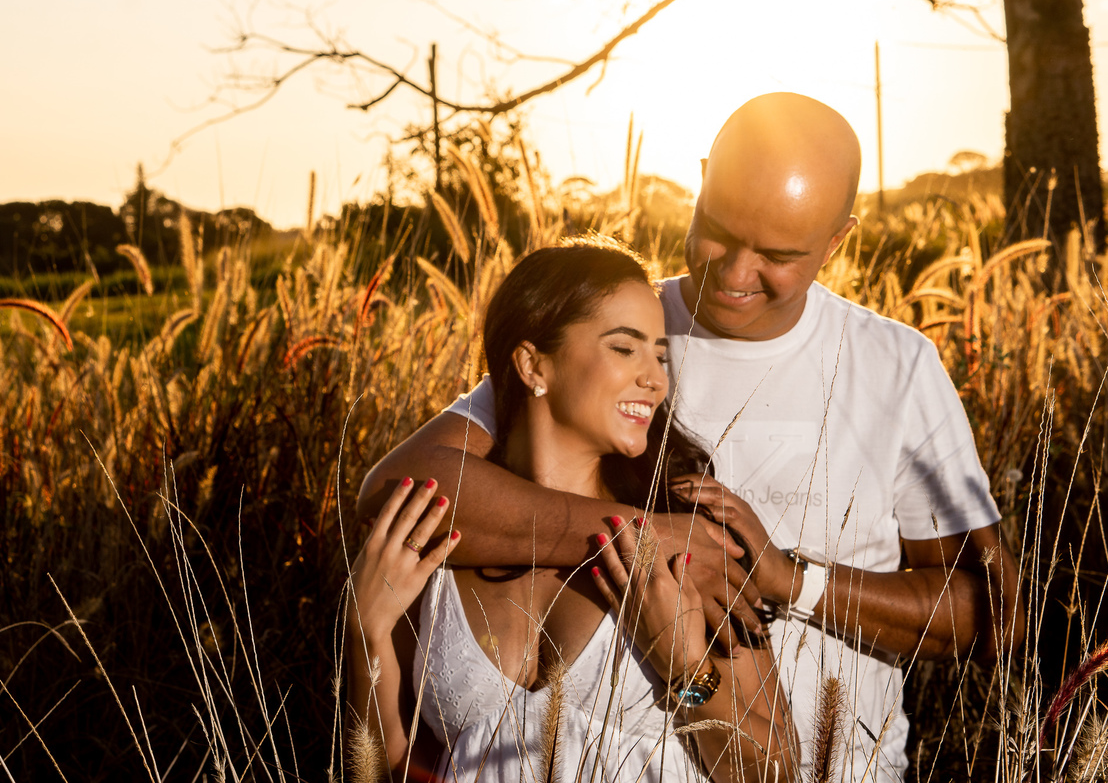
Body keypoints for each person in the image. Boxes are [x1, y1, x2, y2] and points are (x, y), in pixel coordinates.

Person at [360, 93, 1024, 781]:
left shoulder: (895, 368)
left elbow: (992, 614)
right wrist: (657, 534)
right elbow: (402, 491)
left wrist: (789, 582)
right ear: (702, 178)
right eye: (719, 229)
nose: (736, 274)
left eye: (778, 254)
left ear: (837, 242)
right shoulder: (616, 321)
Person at [346, 241, 798, 782]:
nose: (655, 378)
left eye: (659, 355)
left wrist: (686, 670)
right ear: (533, 364)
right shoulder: (434, 540)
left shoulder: (686, 542)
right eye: (624, 349)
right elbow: (392, 774)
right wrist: (365, 634)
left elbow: (777, 771)